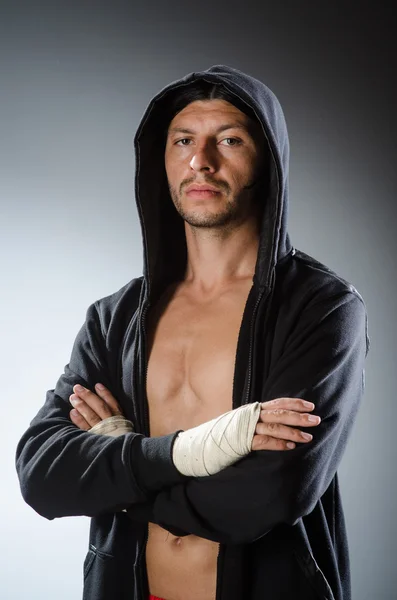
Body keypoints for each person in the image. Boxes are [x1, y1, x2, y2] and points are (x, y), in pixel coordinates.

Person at [15, 65, 369, 600]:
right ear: (162, 159)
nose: (201, 160)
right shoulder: (116, 318)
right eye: (184, 140)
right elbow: (42, 475)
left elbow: (269, 494)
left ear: (268, 160)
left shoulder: (322, 308)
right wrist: (195, 453)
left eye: (229, 140)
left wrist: (116, 466)